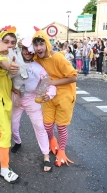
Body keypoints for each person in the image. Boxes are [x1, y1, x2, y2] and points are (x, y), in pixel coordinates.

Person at [32, 26, 78, 167]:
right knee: (47, 126)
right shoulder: (37, 58)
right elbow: (25, 56)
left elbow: (74, 77)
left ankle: (62, 151)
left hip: (64, 96)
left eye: (41, 44)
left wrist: (53, 82)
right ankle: (52, 141)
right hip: (49, 96)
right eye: (36, 44)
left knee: (62, 127)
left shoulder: (58, 57)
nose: (39, 48)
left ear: (47, 43)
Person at [9, 38, 56, 172]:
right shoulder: (14, 62)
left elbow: (49, 83)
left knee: (39, 126)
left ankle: (46, 156)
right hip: (16, 99)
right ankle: (17, 142)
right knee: (13, 126)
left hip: (31, 99)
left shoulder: (39, 67)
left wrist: (49, 94)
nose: (27, 52)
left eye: (29, 49)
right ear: (21, 49)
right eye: (24, 48)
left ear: (33, 50)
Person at [0, 26, 20, 183]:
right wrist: (9, 66)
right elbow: (1, 64)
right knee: (6, 131)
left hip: (6, 97)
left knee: (0, 123)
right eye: (6, 41)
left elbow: (6, 78)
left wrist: (14, 88)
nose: (9, 45)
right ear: (0, 43)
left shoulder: (12, 57)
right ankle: (4, 169)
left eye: (12, 42)